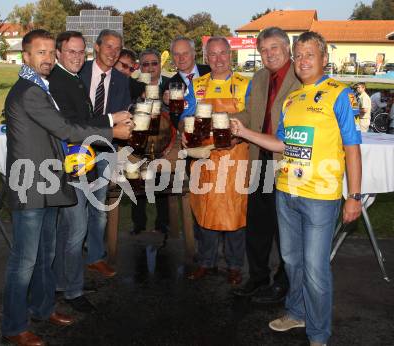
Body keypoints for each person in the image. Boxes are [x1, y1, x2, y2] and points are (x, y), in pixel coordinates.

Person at [231, 31, 362, 346]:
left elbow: (353, 148)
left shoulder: (340, 94)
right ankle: (296, 311)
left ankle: (318, 333)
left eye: (309, 55)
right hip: (286, 192)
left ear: (323, 59)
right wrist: (244, 131)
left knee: (316, 269)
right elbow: (280, 142)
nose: (303, 62)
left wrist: (354, 196)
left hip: (320, 197)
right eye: (300, 55)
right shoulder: (292, 99)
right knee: (291, 260)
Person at [2, 29, 132, 345]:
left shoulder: (39, 86)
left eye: (49, 52)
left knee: (45, 254)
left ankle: (43, 308)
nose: (47, 58)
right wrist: (111, 129)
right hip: (30, 186)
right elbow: (66, 129)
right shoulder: (29, 91)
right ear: (26, 57)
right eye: (41, 52)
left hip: (48, 182)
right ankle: (15, 326)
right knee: (25, 262)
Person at [49, 31, 131, 313]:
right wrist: (111, 121)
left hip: (86, 158)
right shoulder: (60, 80)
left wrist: (116, 119)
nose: (76, 57)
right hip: (73, 163)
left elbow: (82, 119)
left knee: (73, 227)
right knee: (75, 229)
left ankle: (66, 281)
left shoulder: (69, 77)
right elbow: (73, 125)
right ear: (58, 52)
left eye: (79, 52)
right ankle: (71, 290)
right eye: (71, 51)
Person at [232, 27, 301, 304]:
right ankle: (258, 277)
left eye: (274, 47)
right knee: (257, 226)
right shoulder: (259, 77)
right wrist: (224, 118)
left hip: (286, 161)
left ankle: (283, 282)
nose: (269, 54)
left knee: (285, 229)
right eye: (263, 49)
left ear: (287, 47)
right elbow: (251, 114)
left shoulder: (301, 76)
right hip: (259, 158)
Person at [180, 36, 250, 285]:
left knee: (234, 212)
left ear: (230, 55)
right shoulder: (197, 85)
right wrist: (184, 134)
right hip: (204, 159)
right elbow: (186, 115)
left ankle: (234, 265)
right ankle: (206, 261)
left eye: (223, 53)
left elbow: (250, 120)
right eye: (213, 55)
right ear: (206, 58)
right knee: (205, 210)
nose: (218, 59)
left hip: (235, 157)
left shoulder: (244, 85)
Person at [79, 29, 132, 277]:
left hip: (104, 148)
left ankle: (94, 256)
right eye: (109, 46)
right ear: (97, 47)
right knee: (71, 204)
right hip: (75, 146)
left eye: (117, 48)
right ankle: (67, 255)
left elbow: (122, 119)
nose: (113, 52)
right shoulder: (79, 71)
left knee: (98, 206)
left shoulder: (122, 81)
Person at [129, 48, 170, 235]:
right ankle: (139, 226)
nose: (151, 67)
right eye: (146, 64)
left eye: (154, 63)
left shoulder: (171, 85)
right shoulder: (133, 86)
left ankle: (163, 226)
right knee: (137, 187)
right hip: (138, 146)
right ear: (140, 67)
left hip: (165, 144)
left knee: (163, 187)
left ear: (160, 65)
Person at [162, 36, 211, 125]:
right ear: (172, 57)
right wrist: (167, 104)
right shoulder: (170, 85)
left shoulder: (211, 72)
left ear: (194, 53)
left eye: (185, 53)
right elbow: (175, 119)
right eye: (176, 54)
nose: (181, 58)